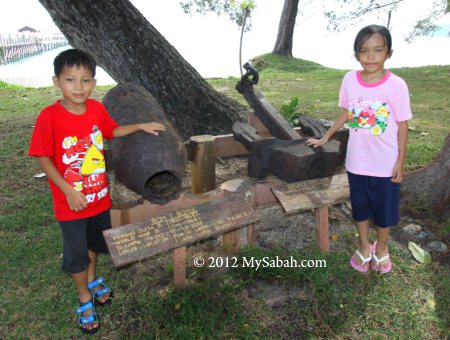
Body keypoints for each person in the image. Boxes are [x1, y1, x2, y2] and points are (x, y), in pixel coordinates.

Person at [28, 49, 166, 334]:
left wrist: (141, 125)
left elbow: (111, 131)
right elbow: (43, 157)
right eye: (70, 80)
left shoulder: (96, 110)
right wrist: (67, 190)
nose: (79, 87)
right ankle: (84, 299)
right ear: (56, 82)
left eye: (86, 80)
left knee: (93, 245)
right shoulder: (49, 117)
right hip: (71, 205)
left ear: (94, 82)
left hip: (99, 199)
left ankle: (92, 280)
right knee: (77, 254)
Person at [307, 25, 412, 274]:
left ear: (389, 53)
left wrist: (400, 161)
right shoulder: (349, 80)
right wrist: (326, 136)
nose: (371, 56)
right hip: (356, 163)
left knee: (385, 212)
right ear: (356, 55)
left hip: (386, 165)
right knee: (361, 208)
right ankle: (364, 247)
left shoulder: (397, 85)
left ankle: (382, 248)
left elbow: (403, 125)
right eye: (364, 51)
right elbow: (347, 113)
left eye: (378, 50)